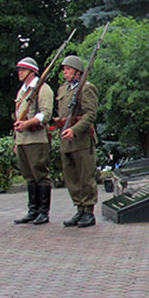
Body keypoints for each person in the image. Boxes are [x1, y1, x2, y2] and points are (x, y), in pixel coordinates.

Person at [54, 55, 99, 228]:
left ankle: (88, 211)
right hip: (66, 138)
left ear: (78, 71)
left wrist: (75, 129)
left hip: (81, 139)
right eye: (64, 69)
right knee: (71, 176)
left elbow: (90, 115)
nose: (65, 72)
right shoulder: (63, 90)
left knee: (85, 175)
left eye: (69, 69)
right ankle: (79, 207)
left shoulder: (86, 89)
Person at [12, 57, 55, 225]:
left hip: (36, 139)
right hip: (23, 140)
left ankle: (43, 212)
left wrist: (27, 124)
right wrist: (17, 141)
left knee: (40, 174)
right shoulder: (22, 91)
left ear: (31, 71)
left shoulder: (43, 90)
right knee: (29, 176)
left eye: (22, 70)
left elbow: (45, 114)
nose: (19, 73)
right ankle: (33, 210)